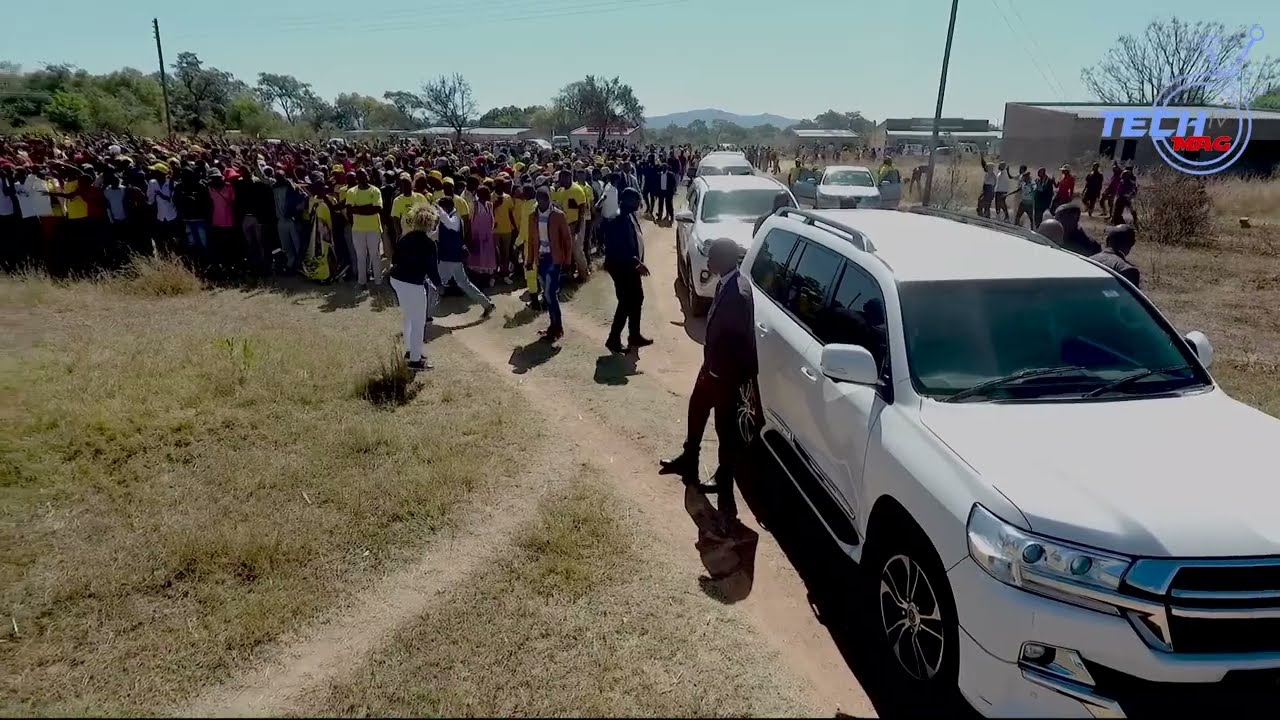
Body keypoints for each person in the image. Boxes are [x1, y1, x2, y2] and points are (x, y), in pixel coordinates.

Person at [659, 238, 757, 520]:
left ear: (725, 260)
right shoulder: (727, 281)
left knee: (725, 431)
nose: (709, 262)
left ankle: (725, 488)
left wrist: (718, 374)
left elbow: (738, 342)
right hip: (711, 368)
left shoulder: (738, 293)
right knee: (696, 409)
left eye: (712, 258)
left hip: (724, 375)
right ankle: (689, 460)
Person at [389, 201, 443, 371]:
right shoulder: (429, 244)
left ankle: (411, 351)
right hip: (412, 283)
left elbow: (394, 260)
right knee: (419, 321)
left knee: (409, 317)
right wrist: (439, 285)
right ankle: (415, 360)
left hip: (397, 280)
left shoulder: (405, 238)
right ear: (430, 223)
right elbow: (432, 270)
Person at [603, 187, 652, 353]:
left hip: (629, 266)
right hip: (622, 267)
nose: (639, 203)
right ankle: (613, 339)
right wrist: (637, 263)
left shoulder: (628, 216)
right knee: (626, 302)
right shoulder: (618, 219)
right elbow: (620, 249)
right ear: (628, 201)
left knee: (637, 298)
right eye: (636, 200)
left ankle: (634, 335)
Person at [436, 195, 495, 317]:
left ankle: (424, 315)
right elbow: (437, 234)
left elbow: (448, 223)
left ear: (445, 208)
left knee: (434, 283)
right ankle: (487, 304)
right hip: (451, 258)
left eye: (440, 208)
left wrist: (439, 211)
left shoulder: (455, 219)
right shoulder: (447, 219)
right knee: (464, 283)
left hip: (449, 258)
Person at [525, 186, 572, 341]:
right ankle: (553, 326)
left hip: (554, 257)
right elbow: (531, 240)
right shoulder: (533, 216)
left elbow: (566, 239)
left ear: (549, 199)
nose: (542, 203)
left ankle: (557, 328)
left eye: (545, 200)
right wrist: (529, 260)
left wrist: (567, 260)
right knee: (547, 293)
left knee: (549, 294)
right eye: (539, 200)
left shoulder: (558, 215)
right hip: (541, 258)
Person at [346, 168, 384, 288]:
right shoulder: (351, 192)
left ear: (368, 176)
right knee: (361, 256)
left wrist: (358, 208)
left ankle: (378, 281)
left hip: (374, 228)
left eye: (364, 175)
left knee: (375, 255)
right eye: (360, 176)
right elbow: (350, 209)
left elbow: (377, 209)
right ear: (357, 178)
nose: (363, 178)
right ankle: (362, 282)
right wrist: (368, 208)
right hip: (358, 229)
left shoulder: (375, 190)